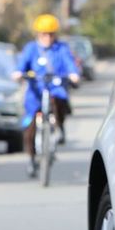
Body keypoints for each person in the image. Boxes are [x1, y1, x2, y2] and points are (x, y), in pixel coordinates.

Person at [13, 14, 80, 175]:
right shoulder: (31, 48)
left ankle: (60, 127)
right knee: (29, 127)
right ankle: (31, 159)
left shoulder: (61, 48)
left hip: (55, 87)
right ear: (38, 34)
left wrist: (73, 74)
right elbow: (21, 65)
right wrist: (18, 73)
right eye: (44, 34)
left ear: (55, 34)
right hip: (36, 90)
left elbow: (70, 64)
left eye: (51, 34)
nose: (48, 37)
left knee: (61, 100)